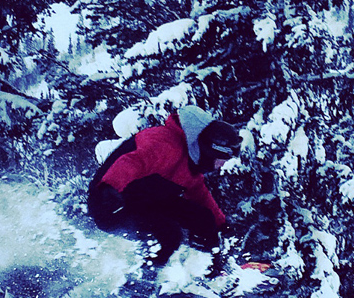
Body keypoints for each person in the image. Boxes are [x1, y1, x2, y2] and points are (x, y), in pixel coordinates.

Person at [87, 105, 241, 269]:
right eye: (220, 159)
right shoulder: (164, 143)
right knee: (169, 234)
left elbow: (199, 193)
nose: (221, 165)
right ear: (208, 151)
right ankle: (142, 280)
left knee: (204, 219)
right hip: (111, 203)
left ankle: (210, 271)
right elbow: (131, 162)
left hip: (145, 201)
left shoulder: (190, 160)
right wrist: (108, 188)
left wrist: (221, 224)